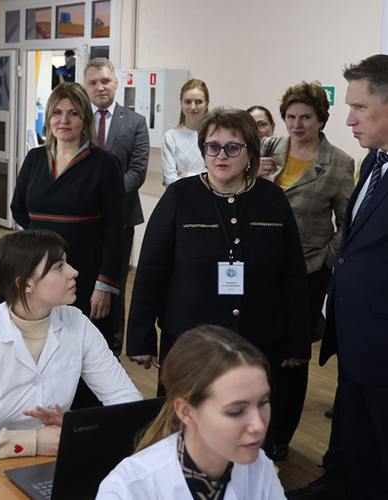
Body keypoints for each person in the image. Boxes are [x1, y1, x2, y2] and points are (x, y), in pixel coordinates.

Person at [126, 107, 310, 457]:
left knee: (246, 432)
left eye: (232, 147)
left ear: (251, 153)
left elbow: (293, 276)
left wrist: (297, 342)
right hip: (190, 342)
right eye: (212, 147)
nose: (221, 156)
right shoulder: (180, 196)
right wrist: (140, 336)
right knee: (183, 430)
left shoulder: (273, 200)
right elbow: (150, 272)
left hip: (257, 341)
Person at [0, 229, 142, 461]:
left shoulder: (78, 324)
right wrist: (34, 442)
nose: (73, 272)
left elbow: (128, 401)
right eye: (59, 266)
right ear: (25, 284)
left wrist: (78, 426)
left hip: (52, 460)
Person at [286, 54, 388, 500]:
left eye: (360, 107)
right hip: (355, 328)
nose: (349, 120)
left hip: (382, 338)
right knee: (353, 424)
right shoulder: (375, 161)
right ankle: (339, 479)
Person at [257, 81, 355, 461]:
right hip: (263, 266)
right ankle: (255, 427)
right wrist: (255, 172)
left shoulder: (338, 163)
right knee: (261, 347)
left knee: (293, 355)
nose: (297, 125)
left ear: (321, 120)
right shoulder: (268, 148)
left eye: (306, 117)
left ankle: (281, 433)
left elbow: (347, 222)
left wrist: (327, 259)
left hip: (309, 270)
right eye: (290, 117)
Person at [96, 325, 286, 500]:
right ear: (186, 412)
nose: (258, 425)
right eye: (236, 411)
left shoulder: (259, 467)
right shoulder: (127, 490)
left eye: (263, 402)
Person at [10, 82, 124, 350]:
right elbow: (19, 209)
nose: (64, 120)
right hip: (38, 273)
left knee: (84, 351)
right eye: (57, 113)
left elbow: (115, 230)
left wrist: (105, 286)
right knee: (39, 347)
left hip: (85, 275)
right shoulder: (35, 159)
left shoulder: (104, 164)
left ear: (85, 120)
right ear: (48, 119)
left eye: (73, 113)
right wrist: (45, 239)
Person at [84, 57, 149, 356]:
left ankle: (111, 349)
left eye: (105, 81)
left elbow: (137, 171)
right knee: (81, 281)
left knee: (114, 286)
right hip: (82, 219)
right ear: (86, 86)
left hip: (121, 218)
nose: (100, 87)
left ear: (116, 83)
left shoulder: (135, 122)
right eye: (93, 82)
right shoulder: (76, 120)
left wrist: (103, 196)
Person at [162, 79, 210, 187]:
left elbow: (220, 177)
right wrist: (204, 178)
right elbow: (169, 181)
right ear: (181, 103)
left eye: (198, 102)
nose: (193, 107)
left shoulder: (215, 137)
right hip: (181, 196)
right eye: (188, 102)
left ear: (207, 104)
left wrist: (187, 176)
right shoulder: (170, 137)